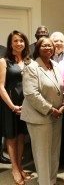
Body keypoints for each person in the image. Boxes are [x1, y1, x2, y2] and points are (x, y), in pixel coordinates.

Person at [21, 37, 64, 185]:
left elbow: (63, 89)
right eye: (44, 46)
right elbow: (31, 93)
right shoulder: (32, 67)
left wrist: (63, 105)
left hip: (56, 116)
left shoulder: (55, 65)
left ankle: (51, 181)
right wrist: (51, 109)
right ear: (38, 49)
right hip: (39, 117)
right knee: (42, 154)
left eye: (50, 46)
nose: (48, 48)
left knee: (54, 152)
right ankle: (44, 183)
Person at [0, 30, 31, 185]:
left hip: (26, 105)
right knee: (11, 137)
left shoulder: (28, 61)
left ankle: (19, 167)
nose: (19, 43)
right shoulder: (4, 61)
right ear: (10, 43)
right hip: (10, 104)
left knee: (21, 136)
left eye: (21, 41)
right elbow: (0, 87)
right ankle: (14, 169)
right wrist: (12, 106)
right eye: (15, 41)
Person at [50, 31, 64, 169]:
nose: (59, 43)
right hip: (51, 100)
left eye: (61, 41)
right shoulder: (45, 57)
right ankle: (53, 162)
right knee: (52, 133)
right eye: (56, 41)